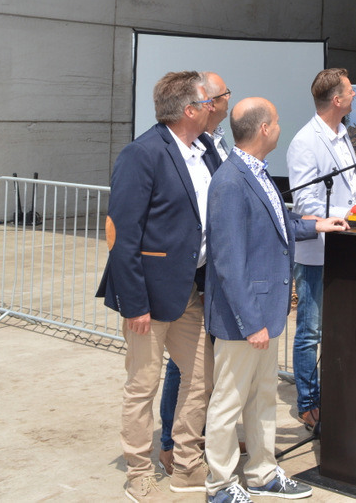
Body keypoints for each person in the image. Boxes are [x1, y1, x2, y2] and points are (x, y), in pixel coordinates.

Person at [203, 98, 349, 503]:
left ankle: (263, 472)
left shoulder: (256, 171)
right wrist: (251, 322)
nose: (281, 127)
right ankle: (219, 485)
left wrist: (317, 225)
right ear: (264, 129)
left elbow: (277, 225)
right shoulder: (230, 181)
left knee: (262, 396)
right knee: (229, 401)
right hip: (244, 319)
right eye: (278, 121)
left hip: (264, 313)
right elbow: (228, 263)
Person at [97, 71, 221, 502]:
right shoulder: (142, 154)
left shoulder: (205, 150)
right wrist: (134, 304)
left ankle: (186, 463)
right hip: (147, 296)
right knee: (143, 385)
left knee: (201, 377)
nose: (213, 107)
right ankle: (138, 471)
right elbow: (121, 235)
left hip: (189, 291)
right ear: (189, 110)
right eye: (206, 102)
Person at [157, 73, 232, 476]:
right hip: (182, 276)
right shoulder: (170, 148)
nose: (224, 100)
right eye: (220, 95)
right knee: (181, 365)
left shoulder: (213, 143)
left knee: (203, 365)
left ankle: (201, 436)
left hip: (208, 270)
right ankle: (171, 442)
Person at [285, 67, 356, 432]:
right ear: (336, 100)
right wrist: (348, 215)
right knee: (311, 331)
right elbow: (305, 203)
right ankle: (308, 402)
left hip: (348, 247)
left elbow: (355, 188)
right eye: (350, 91)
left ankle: (343, 394)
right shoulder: (305, 141)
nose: (354, 95)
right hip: (317, 253)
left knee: (345, 325)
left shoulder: (343, 134)